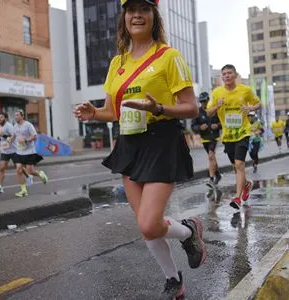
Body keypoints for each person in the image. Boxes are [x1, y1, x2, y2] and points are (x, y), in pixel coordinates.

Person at [73, 0, 207, 298]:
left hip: (161, 141)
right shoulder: (117, 63)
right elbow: (112, 111)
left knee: (149, 224)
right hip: (129, 143)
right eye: (131, 9)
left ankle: (187, 231)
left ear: (153, 16)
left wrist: (157, 107)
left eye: (144, 9)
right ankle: (174, 280)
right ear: (124, 17)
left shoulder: (169, 57)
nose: (137, 15)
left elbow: (191, 107)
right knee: (147, 224)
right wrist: (93, 113)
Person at [207, 64, 261, 210]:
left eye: (229, 73)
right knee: (235, 167)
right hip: (228, 135)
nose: (226, 76)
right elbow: (208, 113)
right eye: (224, 74)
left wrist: (250, 108)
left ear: (235, 75)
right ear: (222, 77)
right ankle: (246, 184)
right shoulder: (217, 92)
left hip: (243, 132)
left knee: (239, 164)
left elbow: (258, 103)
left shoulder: (245, 90)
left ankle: (237, 198)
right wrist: (217, 106)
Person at [0, 112, 33, 193]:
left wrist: (3, 135)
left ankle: (28, 176)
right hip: (5, 151)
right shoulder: (1, 127)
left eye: (1, 117)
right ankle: (0, 186)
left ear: (6, 118)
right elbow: (4, 138)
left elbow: (14, 137)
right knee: (1, 168)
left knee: (19, 169)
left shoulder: (9, 126)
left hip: (14, 151)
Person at [10, 110, 48, 197]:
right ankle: (24, 191)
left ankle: (40, 174)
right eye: (15, 115)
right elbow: (14, 136)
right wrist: (9, 139)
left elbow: (35, 136)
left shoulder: (28, 125)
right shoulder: (15, 126)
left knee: (30, 171)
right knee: (18, 170)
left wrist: (26, 140)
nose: (16, 117)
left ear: (22, 116)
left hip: (29, 152)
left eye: (17, 115)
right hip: (19, 152)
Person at [191, 92, 222, 187]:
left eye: (205, 101)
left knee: (211, 156)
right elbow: (193, 126)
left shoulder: (214, 110)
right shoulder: (198, 112)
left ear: (208, 100)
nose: (204, 103)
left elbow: (222, 122)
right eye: (202, 101)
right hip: (204, 139)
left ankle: (211, 179)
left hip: (214, 137)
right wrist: (200, 127)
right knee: (212, 158)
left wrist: (217, 125)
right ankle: (218, 175)